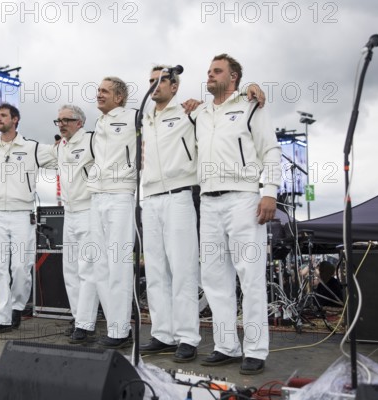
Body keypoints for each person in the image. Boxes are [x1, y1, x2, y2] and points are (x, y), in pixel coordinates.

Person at [196, 54, 281, 375]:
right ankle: (226, 345)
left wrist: (269, 190)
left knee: (251, 276)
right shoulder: (201, 113)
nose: (210, 75)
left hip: (244, 197)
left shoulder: (250, 104)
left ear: (233, 78)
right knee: (214, 278)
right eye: (208, 71)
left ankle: (256, 349)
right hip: (208, 200)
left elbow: (270, 148)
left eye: (216, 71)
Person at [0, 103, 55, 336]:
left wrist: (68, 145)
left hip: (22, 213)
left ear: (15, 119)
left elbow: (59, 157)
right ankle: (1, 318)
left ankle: (16, 306)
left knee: (21, 267)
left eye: (3, 115)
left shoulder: (31, 147)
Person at [138, 66, 202, 362]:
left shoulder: (188, 111)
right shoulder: (145, 117)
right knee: (155, 271)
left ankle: (188, 336)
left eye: (161, 80)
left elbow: (219, 111)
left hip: (178, 195)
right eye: (151, 81)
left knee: (183, 269)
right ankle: (163, 333)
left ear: (174, 87)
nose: (154, 85)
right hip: (150, 198)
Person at [87, 77, 137, 348]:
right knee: (101, 266)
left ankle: (121, 330)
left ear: (119, 97)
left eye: (104, 91)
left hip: (120, 195)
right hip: (97, 196)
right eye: (98, 91)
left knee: (118, 265)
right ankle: (115, 327)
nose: (99, 94)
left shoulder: (134, 117)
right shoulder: (99, 123)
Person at [50, 104, 100, 344]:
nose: (61, 124)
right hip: (68, 212)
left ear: (80, 122)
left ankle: (86, 324)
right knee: (69, 270)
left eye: (66, 120)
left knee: (87, 269)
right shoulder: (60, 147)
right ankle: (78, 317)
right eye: (58, 120)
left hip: (89, 210)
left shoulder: (92, 140)